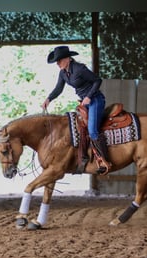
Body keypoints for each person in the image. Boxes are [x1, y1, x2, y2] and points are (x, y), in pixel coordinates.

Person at [41, 45, 111, 173]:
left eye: (60, 60)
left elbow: (97, 80)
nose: (58, 63)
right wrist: (48, 99)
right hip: (83, 103)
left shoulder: (80, 69)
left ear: (67, 58)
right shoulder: (63, 73)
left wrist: (89, 96)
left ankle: (104, 160)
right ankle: (83, 156)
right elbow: (58, 89)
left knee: (92, 130)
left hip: (95, 99)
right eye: (57, 61)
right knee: (78, 128)